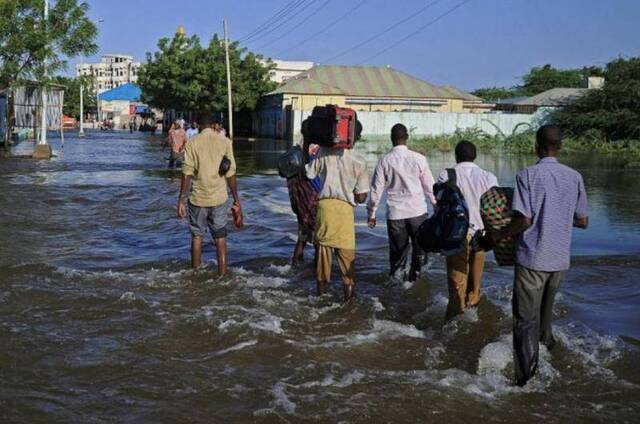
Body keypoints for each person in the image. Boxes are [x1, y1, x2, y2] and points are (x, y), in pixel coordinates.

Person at [485, 125, 588, 387]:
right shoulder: (574, 177)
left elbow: (525, 220)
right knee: (545, 320)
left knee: (524, 322)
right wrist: (557, 216)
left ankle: (526, 381)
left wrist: (498, 236)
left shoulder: (527, 176)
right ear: (560, 147)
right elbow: (583, 220)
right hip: (559, 260)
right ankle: (552, 366)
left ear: (536, 146)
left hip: (533, 259)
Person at [305, 130, 369, 302]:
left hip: (325, 208)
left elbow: (309, 174)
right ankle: (348, 303)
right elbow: (362, 197)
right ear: (356, 137)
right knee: (347, 262)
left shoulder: (323, 153)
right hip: (345, 211)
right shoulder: (359, 161)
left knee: (323, 262)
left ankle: (320, 300)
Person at [437, 140, 498, 320]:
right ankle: (474, 325)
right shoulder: (489, 177)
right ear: (475, 157)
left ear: (456, 156)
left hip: (457, 236)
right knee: (475, 289)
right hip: (482, 237)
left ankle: (452, 330)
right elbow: (495, 209)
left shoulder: (446, 175)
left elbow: (439, 205)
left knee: (456, 288)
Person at [367, 123, 436, 283]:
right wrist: (436, 207)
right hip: (418, 213)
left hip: (396, 214)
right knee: (420, 253)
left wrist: (372, 213)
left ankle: (397, 287)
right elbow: (430, 187)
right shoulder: (419, 159)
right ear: (406, 138)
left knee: (398, 256)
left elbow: (376, 190)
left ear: (392, 139)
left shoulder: (384, 160)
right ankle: (416, 283)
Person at [177, 113, 242, 275]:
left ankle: (195, 274)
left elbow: (187, 173)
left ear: (198, 125)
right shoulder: (225, 142)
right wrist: (236, 200)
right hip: (219, 198)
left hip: (198, 198)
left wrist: (180, 200)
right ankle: (223, 274)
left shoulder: (192, 143)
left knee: (197, 237)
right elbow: (231, 174)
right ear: (214, 125)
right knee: (220, 238)